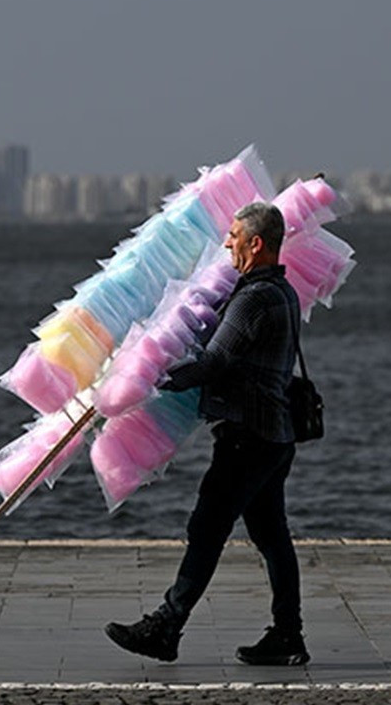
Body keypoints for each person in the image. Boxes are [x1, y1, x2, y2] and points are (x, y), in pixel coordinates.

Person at [104, 201, 309, 666]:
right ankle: (288, 635)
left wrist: (148, 378)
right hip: (275, 436)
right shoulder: (281, 290)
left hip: (249, 436)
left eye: (234, 235)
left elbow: (214, 361)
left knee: (207, 528)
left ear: (256, 244)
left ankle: (166, 626)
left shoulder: (255, 298)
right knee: (271, 535)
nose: (226, 242)